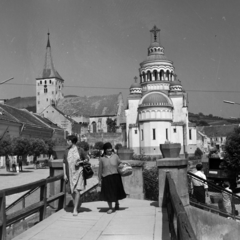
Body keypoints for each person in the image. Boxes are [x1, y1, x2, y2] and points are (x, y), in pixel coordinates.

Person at [63, 135, 89, 216]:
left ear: (72, 141)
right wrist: (64, 174)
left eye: (68, 141)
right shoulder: (66, 151)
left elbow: (87, 158)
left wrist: (80, 162)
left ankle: (75, 209)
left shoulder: (80, 150)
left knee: (77, 190)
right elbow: (64, 162)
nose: (67, 142)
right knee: (72, 191)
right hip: (70, 173)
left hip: (79, 173)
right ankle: (77, 205)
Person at [98, 142, 126, 214]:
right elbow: (100, 170)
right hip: (106, 177)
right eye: (108, 149)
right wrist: (99, 180)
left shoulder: (115, 156)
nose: (110, 150)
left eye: (110, 148)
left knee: (115, 192)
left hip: (115, 176)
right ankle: (110, 208)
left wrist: (125, 168)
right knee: (108, 193)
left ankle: (116, 203)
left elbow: (120, 164)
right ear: (105, 150)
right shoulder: (102, 159)